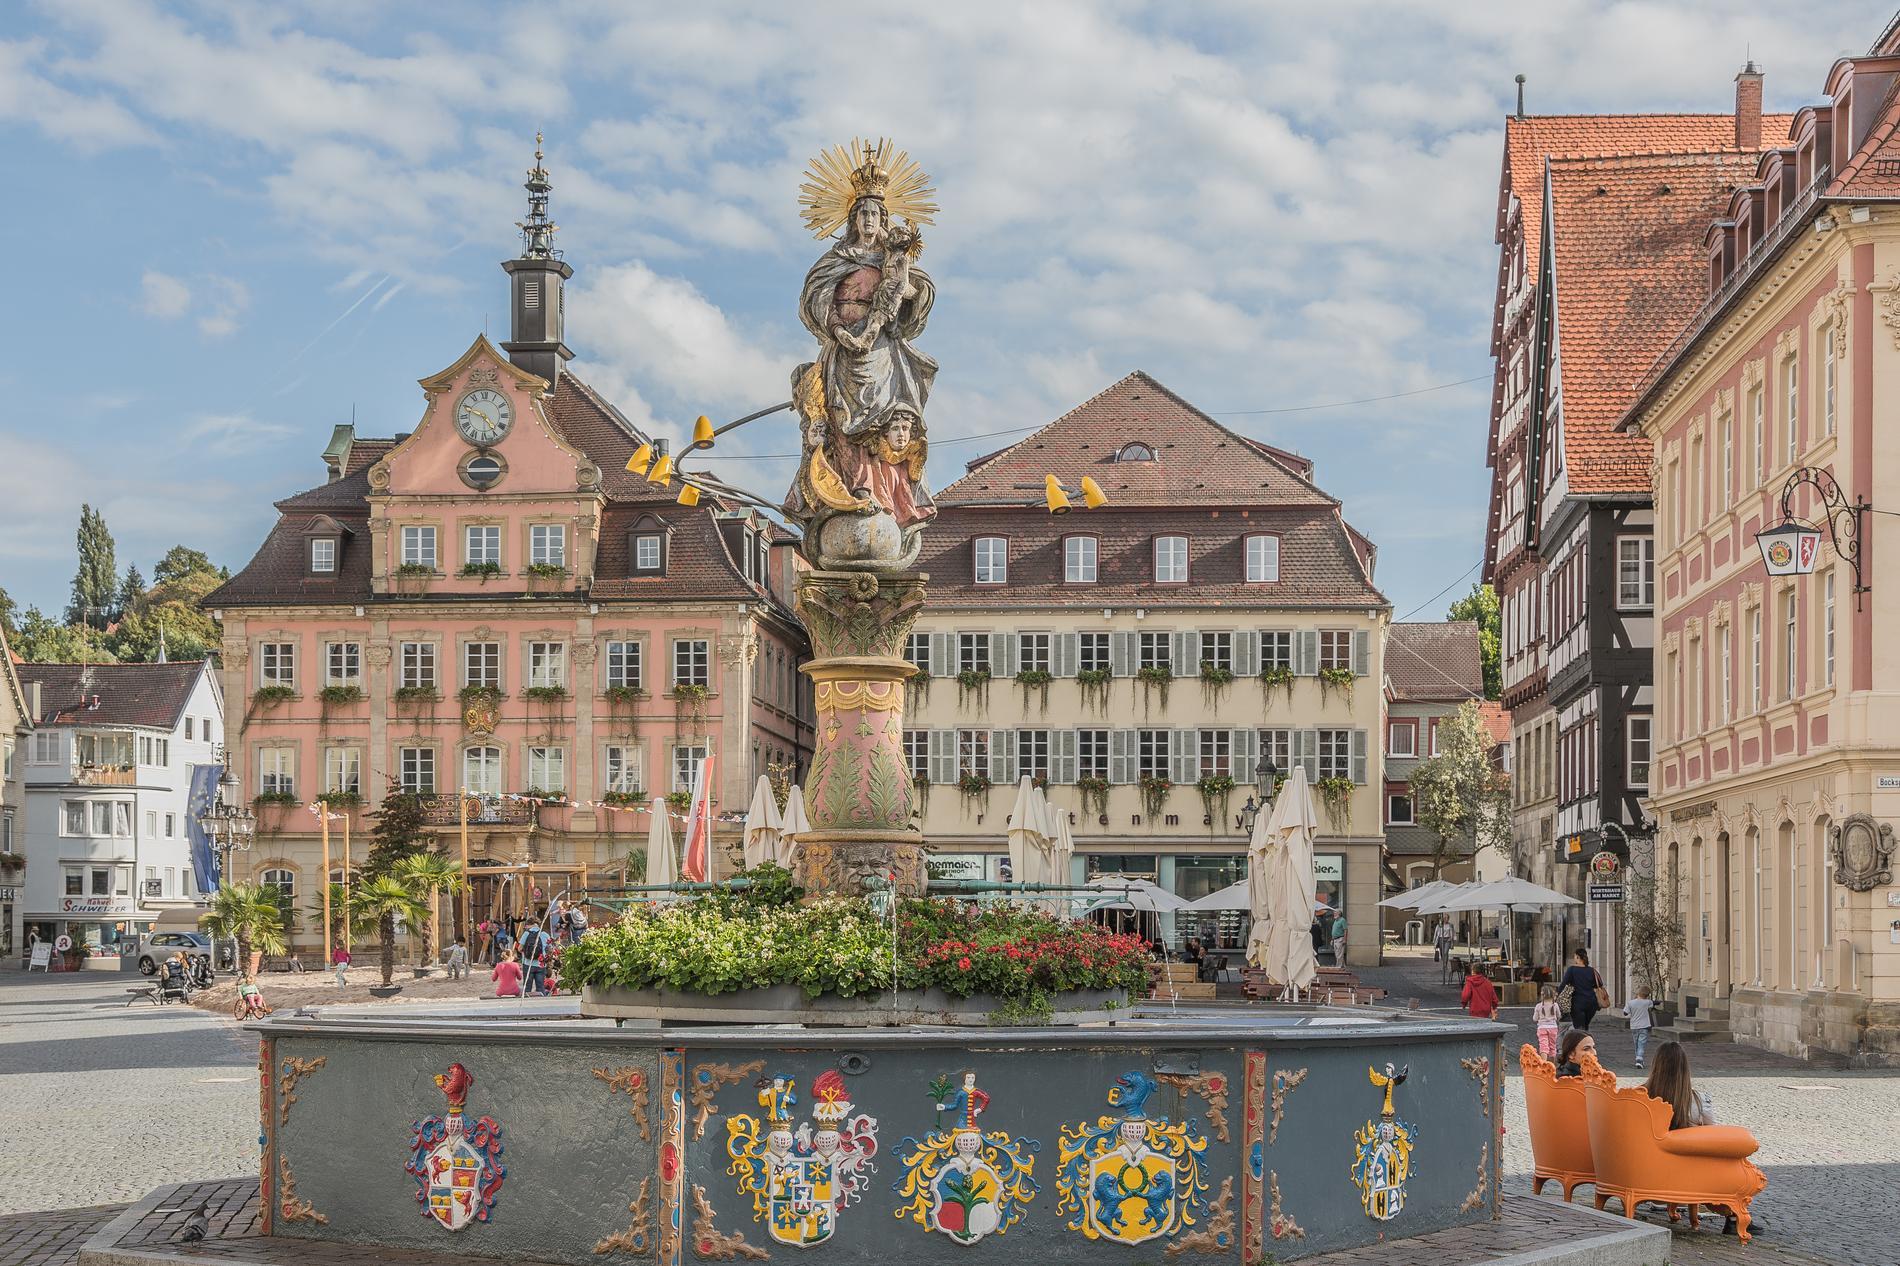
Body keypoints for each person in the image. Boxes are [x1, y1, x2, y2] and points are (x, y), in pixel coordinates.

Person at [1560, 948, 1602, 1031]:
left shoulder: (1571, 970)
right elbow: (1599, 984)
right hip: (1591, 1003)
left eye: (1575, 956)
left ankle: (1583, 1042)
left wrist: (1556, 996)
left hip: (1577, 1004)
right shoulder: (1592, 970)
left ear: (1578, 957)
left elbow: (1563, 985)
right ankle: (1587, 1042)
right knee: (1585, 1026)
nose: (1574, 958)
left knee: (1579, 1028)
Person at [1623, 984, 1658, 1069]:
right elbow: (1653, 1003)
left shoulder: (1630, 1003)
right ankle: (1639, 1059)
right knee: (1641, 1043)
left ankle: (1638, 1059)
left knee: (1636, 1044)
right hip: (1644, 1026)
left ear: (1638, 993)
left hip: (1634, 1026)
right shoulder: (1647, 1002)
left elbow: (1625, 1013)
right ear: (1647, 995)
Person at [1532, 985, 1564, 1059]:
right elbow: (1559, 1016)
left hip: (1542, 1028)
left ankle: (1544, 1064)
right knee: (1553, 1046)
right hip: (1553, 1027)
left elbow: (1535, 1018)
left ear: (1542, 995)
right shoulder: (1555, 1005)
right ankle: (1552, 1065)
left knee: (1543, 1046)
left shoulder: (1538, 1006)